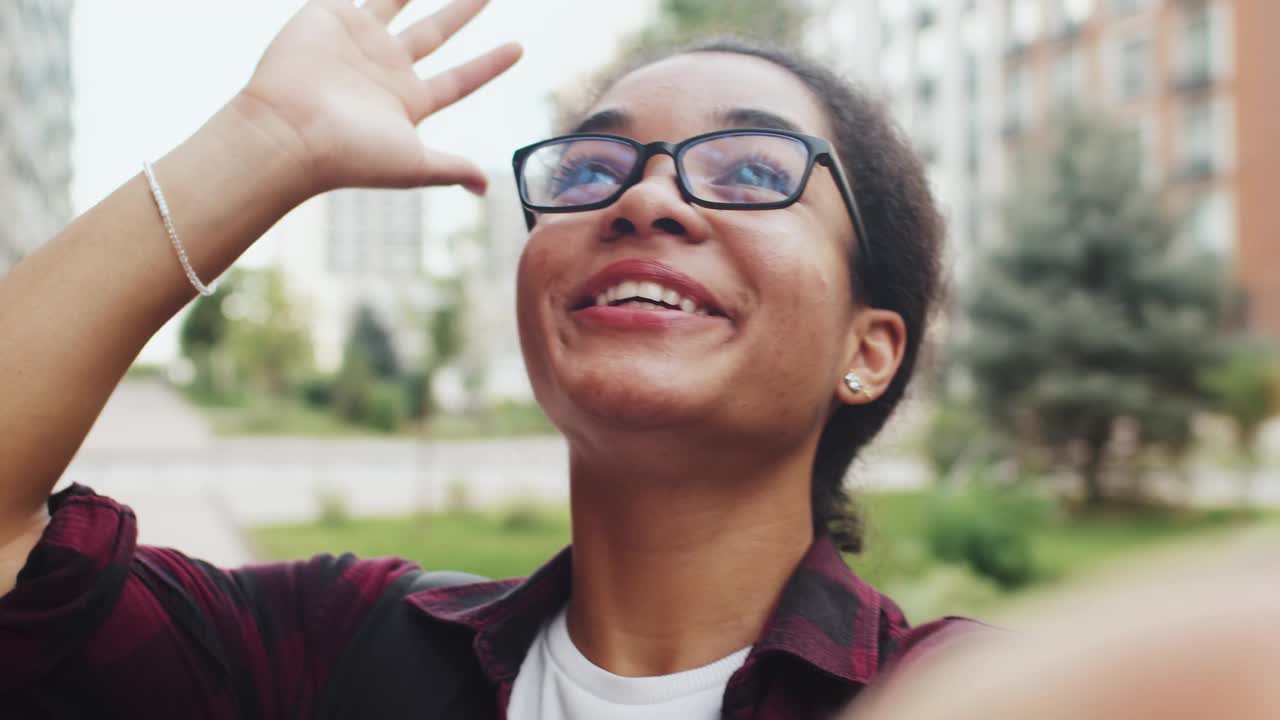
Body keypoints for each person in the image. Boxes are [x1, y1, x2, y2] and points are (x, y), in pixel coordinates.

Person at [0, 0, 965, 717]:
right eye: (590, 170)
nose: (644, 200)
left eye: (754, 171)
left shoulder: (961, 695)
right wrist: (266, 141)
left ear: (869, 350)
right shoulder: (337, 652)